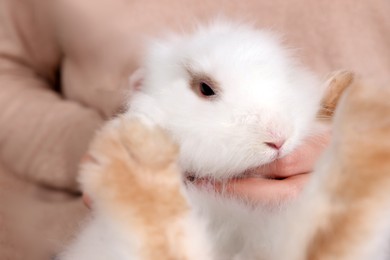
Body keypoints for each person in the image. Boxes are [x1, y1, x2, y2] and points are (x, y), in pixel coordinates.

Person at [0, 0, 389, 259]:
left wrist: (357, 152)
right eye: (206, 91)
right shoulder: (160, 82)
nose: (276, 134)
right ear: (143, 87)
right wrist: (88, 145)